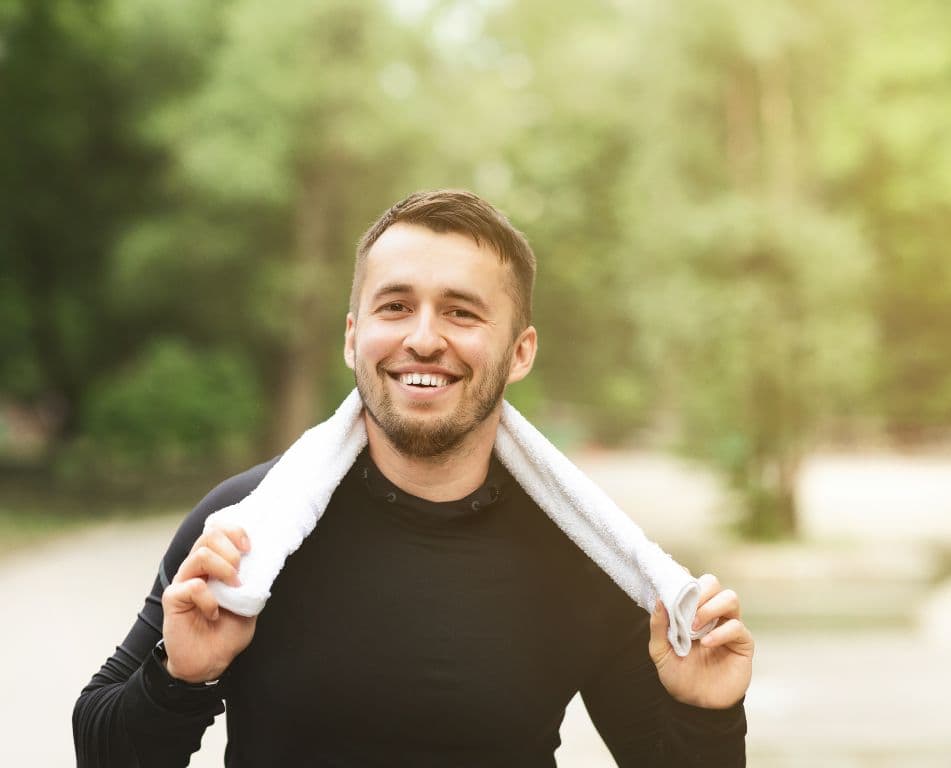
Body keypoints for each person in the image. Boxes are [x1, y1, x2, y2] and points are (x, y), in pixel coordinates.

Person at [73, 189, 753, 767]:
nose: (424, 338)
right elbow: (98, 746)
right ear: (352, 337)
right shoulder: (245, 532)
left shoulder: (585, 552)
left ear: (520, 352)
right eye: (395, 306)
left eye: (461, 312)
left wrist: (709, 716)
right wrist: (179, 675)